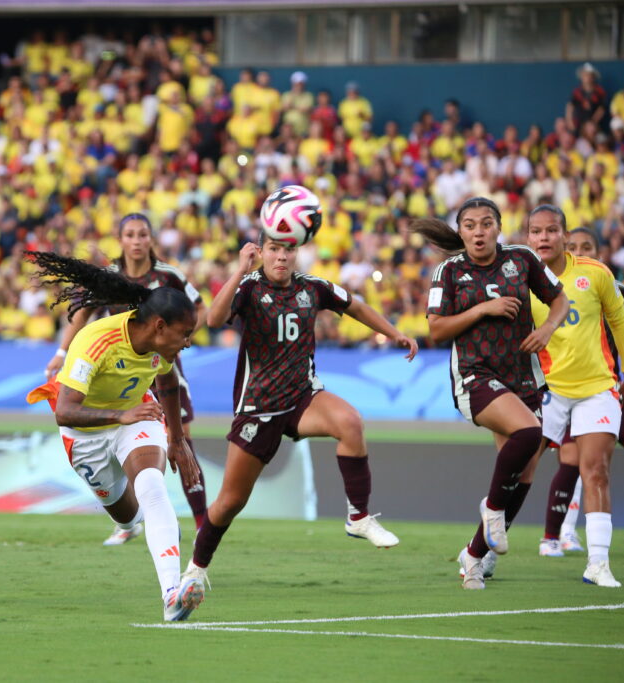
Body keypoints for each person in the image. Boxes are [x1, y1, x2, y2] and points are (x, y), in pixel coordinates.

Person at [182, 233, 419, 598]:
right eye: (274, 249)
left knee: (350, 422)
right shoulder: (248, 287)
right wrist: (240, 269)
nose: (281, 257)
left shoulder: (313, 287)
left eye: (288, 250)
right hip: (258, 409)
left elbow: (355, 306)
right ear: (262, 253)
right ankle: (196, 568)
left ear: (297, 253)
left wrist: (394, 333)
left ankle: (358, 517)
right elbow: (214, 319)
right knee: (230, 502)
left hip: (303, 396)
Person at [24, 250, 205, 622]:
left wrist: (174, 439)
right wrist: (120, 415)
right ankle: (131, 526)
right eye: (184, 334)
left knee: (152, 486)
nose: (187, 342)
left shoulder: (159, 345)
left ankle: (172, 594)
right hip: (85, 432)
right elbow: (65, 412)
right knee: (127, 513)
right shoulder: (96, 341)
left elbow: (167, 379)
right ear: (158, 326)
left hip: (137, 414)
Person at [414, 197, 569, 590]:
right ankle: (493, 510)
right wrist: (484, 308)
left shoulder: (522, 259)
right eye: (469, 225)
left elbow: (559, 299)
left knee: (525, 469)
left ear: (499, 227)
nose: (478, 231)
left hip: (522, 375)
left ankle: (474, 555)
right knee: (530, 433)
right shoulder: (448, 271)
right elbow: (436, 330)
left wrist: (548, 328)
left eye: (486, 223)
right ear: (461, 231)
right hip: (474, 375)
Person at [44, 213, 210, 546]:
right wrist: (62, 353)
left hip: (159, 365)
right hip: (114, 367)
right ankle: (130, 518)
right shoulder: (109, 277)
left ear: (151, 240)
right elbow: (82, 314)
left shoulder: (168, 276)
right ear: (120, 240)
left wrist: (182, 337)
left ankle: (202, 522)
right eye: (130, 235)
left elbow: (200, 309)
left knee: (181, 436)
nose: (136, 241)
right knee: (119, 434)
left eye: (143, 234)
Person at [522, 207, 624, 586]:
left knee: (596, 471)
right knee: (518, 468)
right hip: (547, 389)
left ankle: (598, 563)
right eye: (535, 231)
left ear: (563, 235)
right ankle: (483, 551)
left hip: (596, 387)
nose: (543, 238)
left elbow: (620, 321)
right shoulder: (519, 275)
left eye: (550, 230)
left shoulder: (595, 273)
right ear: (528, 236)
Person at [536, 227, 624, 558]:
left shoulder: (614, 289)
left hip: (610, 389)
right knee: (573, 460)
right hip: (568, 389)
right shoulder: (546, 289)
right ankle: (554, 535)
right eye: (574, 245)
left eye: (587, 246)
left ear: (599, 250)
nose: (580, 250)